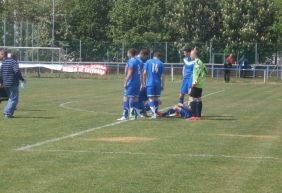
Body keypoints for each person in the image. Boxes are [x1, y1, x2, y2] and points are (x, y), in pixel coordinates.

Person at [117, 49, 141, 121]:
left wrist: (125, 81)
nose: (127, 54)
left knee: (126, 97)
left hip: (131, 82)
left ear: (130, 53)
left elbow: (130, 73)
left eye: (127, 53)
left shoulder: (131, 61)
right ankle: (135, 115)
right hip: (138, 82)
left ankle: (125, 115)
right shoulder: (138, 61)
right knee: (136, 97)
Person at [0, 52, 25, 118]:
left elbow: (1, 73)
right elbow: (17, 71)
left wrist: (1, 82)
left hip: (5, 84)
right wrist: (22, 79)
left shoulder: (4, 62)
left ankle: (7, 111)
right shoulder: (13, 62)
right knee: (14, 99)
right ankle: (7, 113)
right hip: (12, 83)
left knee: (10, 99)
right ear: (14, 57)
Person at [186, 49, 207, 121]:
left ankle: (194, 116)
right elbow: (205, 71)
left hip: (196, 83)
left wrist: (194, 83)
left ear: (195, 54)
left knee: (192, 98)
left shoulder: (197, 62)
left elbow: (198, 73)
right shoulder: (200, 62)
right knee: (198, 98)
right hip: (199, 83)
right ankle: (198, 116)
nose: (190, 55)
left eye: (191, 54)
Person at [143, 51, 165, 119]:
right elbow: (163, 75)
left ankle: (154, 114)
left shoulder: (148, 61)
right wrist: (162, 85)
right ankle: (155, 113)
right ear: (159, 57)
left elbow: (144, 73)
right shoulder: (161, 63)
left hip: (150, 83)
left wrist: (144, 82)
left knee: (150, 99)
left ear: (153, 56)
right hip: (158, 83)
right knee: (156, 99)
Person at [136, 49, 149, 116]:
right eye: (145, 57)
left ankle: (143, 111)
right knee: (139, 98)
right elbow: (141, 73)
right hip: (138, 82)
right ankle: (141, 111)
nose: (145, 58)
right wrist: (142, 83)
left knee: (141, 97)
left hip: (137, 81)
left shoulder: (134, 59)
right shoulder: (139, 61)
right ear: (142, 54)